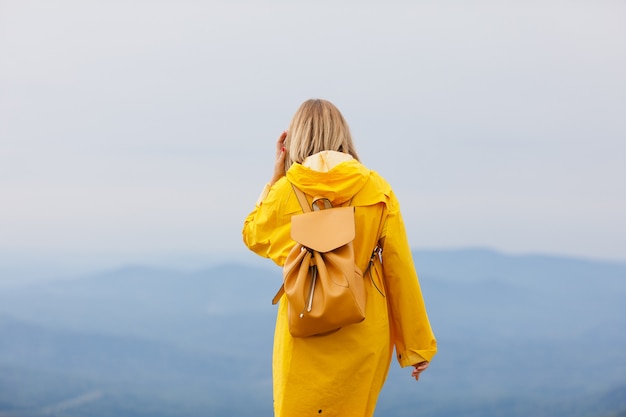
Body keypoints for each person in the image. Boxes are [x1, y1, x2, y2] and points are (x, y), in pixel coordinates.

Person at [242, 99, 437, 417]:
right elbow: (398, 268)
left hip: (303, 325)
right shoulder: (376, 189)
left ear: (297, 139)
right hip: (363, 329)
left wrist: (275, 178)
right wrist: (416, 346)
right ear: (342, 134)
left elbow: (253, 234)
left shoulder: (286, 191)